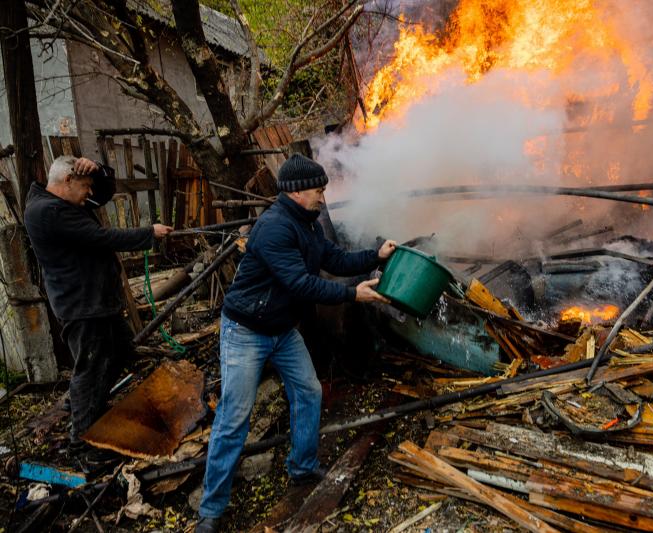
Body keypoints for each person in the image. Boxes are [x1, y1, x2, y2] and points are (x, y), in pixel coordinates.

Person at [196, 154, 396, 532]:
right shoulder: (273, 229)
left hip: (282, 330)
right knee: (234, 417)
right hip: (246, 332)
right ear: (298, 191)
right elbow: (301, 284)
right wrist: (355, 295)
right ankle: (211, 509)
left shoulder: (307, 225)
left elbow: (333, 259)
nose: (323, 195)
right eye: (319, 189)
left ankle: (302, 468)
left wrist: (376, 256)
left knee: (308, 392)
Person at [23, 155, 173, 465]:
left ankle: (94, 408)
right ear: (67, 182)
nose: (90, 194)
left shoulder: (63, 202)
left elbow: (102, 194)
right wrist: (149, 233)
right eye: (85, 186)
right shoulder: (48, 212)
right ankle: (81, 445)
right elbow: (101, 237)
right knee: (88, 369)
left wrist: (98, 171)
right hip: (81, 305)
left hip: (97, 301)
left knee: (120, 352)